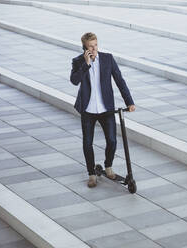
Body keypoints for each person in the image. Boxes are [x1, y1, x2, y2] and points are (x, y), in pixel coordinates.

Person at [70, 32, 135, 188]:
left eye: (96, 45)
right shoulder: (78, 61)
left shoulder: (107, 59)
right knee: (87, 143)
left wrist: (129, 102)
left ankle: (108, 166)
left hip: (106, 109)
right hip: (88, 109)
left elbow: (120, 80)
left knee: (112, 140)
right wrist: (86, 64)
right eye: (91, 46)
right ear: (84, 48)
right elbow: (74, 81)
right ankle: (91, 174)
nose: (95, 48)